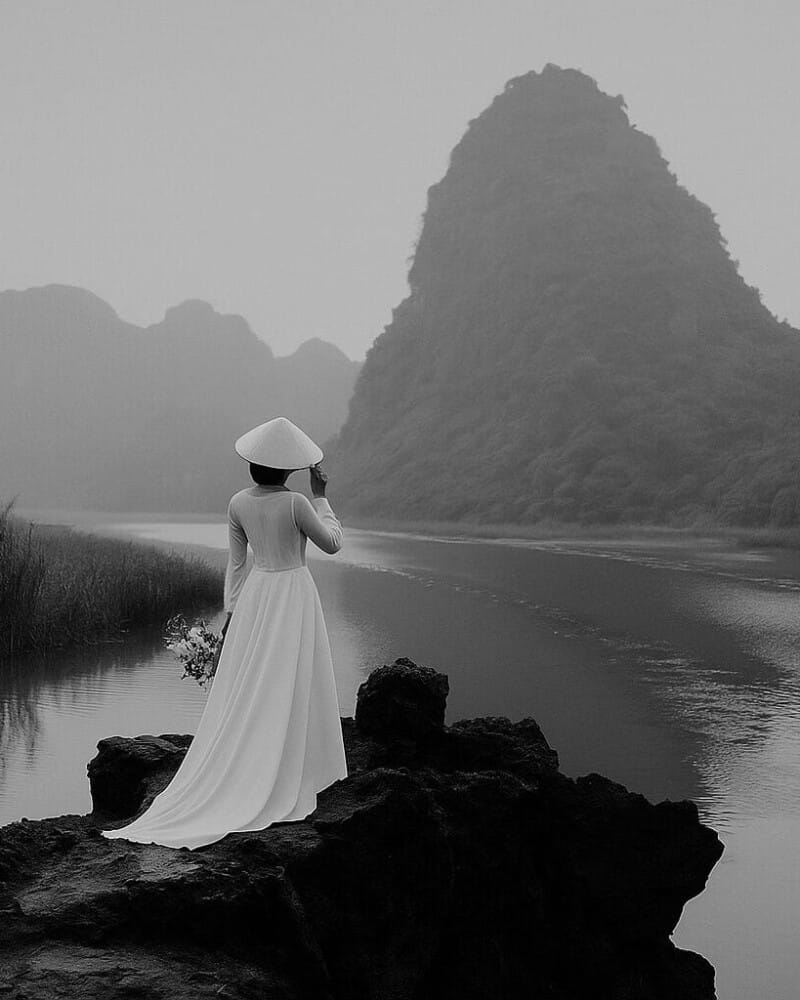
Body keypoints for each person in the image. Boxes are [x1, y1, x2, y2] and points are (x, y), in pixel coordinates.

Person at [101, 416, 349, 850]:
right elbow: (332, 543)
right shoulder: (296, 504)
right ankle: (296, 760)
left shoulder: (238, 503)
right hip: (292, 592)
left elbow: (236, 565)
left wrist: (232, 612)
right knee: (290, 674)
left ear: (253, 466)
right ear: (288, 471)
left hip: (257, 594)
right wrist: (323, 498)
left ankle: (257, 753)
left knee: (255, 678)